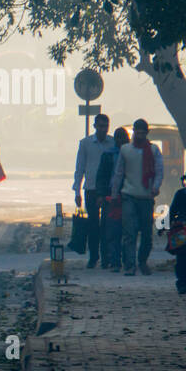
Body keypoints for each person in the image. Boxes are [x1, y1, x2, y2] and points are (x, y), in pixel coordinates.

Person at [110, 118, 164, 275]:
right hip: (128, 196)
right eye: (137, 132)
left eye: (142, 132)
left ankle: (142, 261)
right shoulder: (125, 150)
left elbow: (159, 171)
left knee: (147, 234)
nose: (140, 135)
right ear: (134, 132)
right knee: (129, 232)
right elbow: (118, 173)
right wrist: (114, 193)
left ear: (146, 133)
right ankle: (130, 265)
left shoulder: (153, 151)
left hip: (146, 197)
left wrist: (155, 187)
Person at [73, 113, 113, 268]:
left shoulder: (113, 143)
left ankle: (106, 257)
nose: (103, 129)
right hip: (91, 189)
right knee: (93, 225)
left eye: (105, 126)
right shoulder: (86, 144)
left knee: (107, 225)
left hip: (109, 190)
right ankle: (94, 256)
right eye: (100, 126)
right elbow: (80, 168)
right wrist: (77, 191)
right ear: (95, 126)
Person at [95, 127, 129, 272]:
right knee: (110, 230)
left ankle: (127, 260)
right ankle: (110, 260)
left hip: (128, 196)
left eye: (123, 138)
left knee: (128, 231)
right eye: (118, 138)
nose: (121, 141)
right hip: (110, 197)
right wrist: (101, 195)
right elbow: (101, 177)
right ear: (114, 140)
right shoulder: (107, 155)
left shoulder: (131, 155)